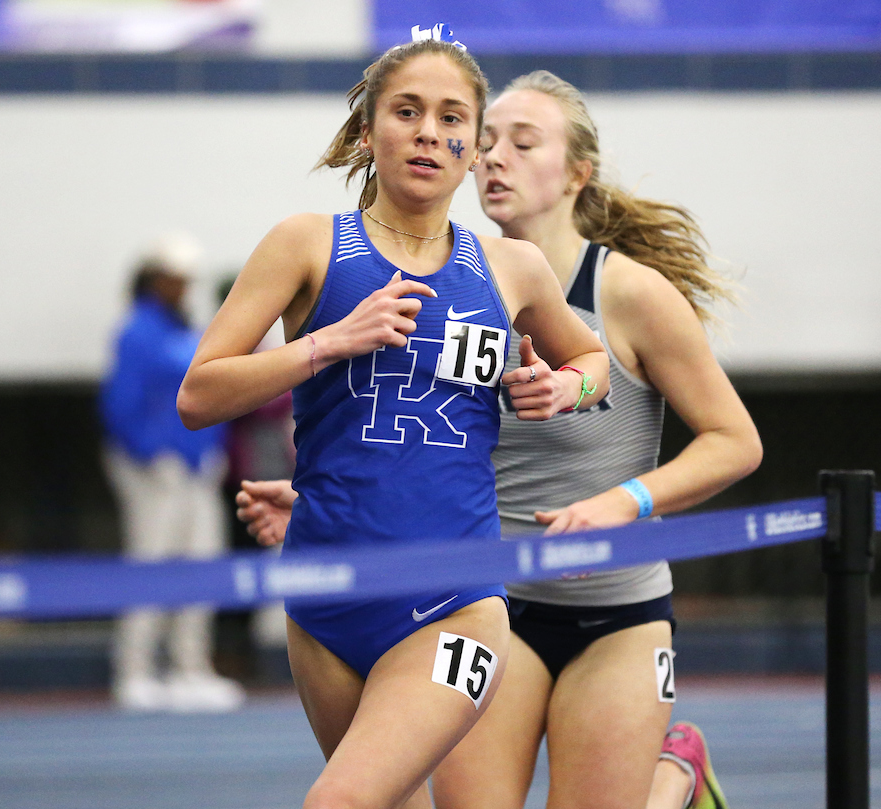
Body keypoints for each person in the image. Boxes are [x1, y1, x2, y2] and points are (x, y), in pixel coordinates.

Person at [237, 70, 761, 809]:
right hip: (487, 595)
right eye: (488, 143)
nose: (493, 157)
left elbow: (735, 441)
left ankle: (672, 778)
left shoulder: (629, 294)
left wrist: (624, 500)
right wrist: (326, 498)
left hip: (614, 606)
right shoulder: (467, 274)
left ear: (578, 171)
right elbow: (434, 437)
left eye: (523, 141)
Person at [176, 30, 609, 809]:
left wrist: (562, 391)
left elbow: (594, 361)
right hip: (324, 593)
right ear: (369, 129)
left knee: (336, 800)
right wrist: (329, 342)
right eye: (408, 112)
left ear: (475, 146)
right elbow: (199, 394)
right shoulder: (307, 244)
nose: (429, 133)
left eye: (452, 119)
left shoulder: (510, 266)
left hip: (457, 601)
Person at [99, 234, 247, 712]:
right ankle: (135, 669)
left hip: (197, 470)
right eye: (173, 280)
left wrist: (214, 449)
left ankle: (190, 667)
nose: (181, 288)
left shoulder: (189, 329)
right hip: (154, 474)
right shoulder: (136, 332)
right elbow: (120, 406)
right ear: (155, 279)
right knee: (152, 561)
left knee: (202, 560)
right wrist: (150, 454)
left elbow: (209, 392)